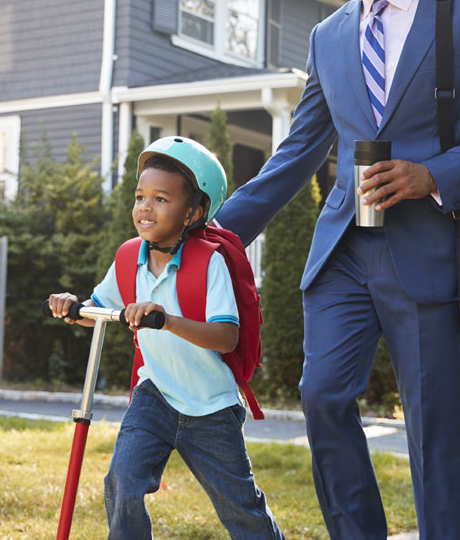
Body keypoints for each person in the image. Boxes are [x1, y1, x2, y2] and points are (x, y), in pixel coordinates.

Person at [213, 0, 460, 539]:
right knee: (322, 396)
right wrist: (212, 230)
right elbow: (298, 150)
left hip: (427, 251)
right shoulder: (329, 37)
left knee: (432, 422)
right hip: (344, 251)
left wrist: (433, 175)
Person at [48, 136, 284, 540]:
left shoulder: (210, 263)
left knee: (240, 509)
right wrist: (75, 309)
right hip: (154, 396)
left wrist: (167, 320)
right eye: (140, 196)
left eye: (161, 199)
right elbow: (100, 310)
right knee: (122, 482)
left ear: (194, 212)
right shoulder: (128, 257)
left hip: (211, 407)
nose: (144, 206)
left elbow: (227, 337)